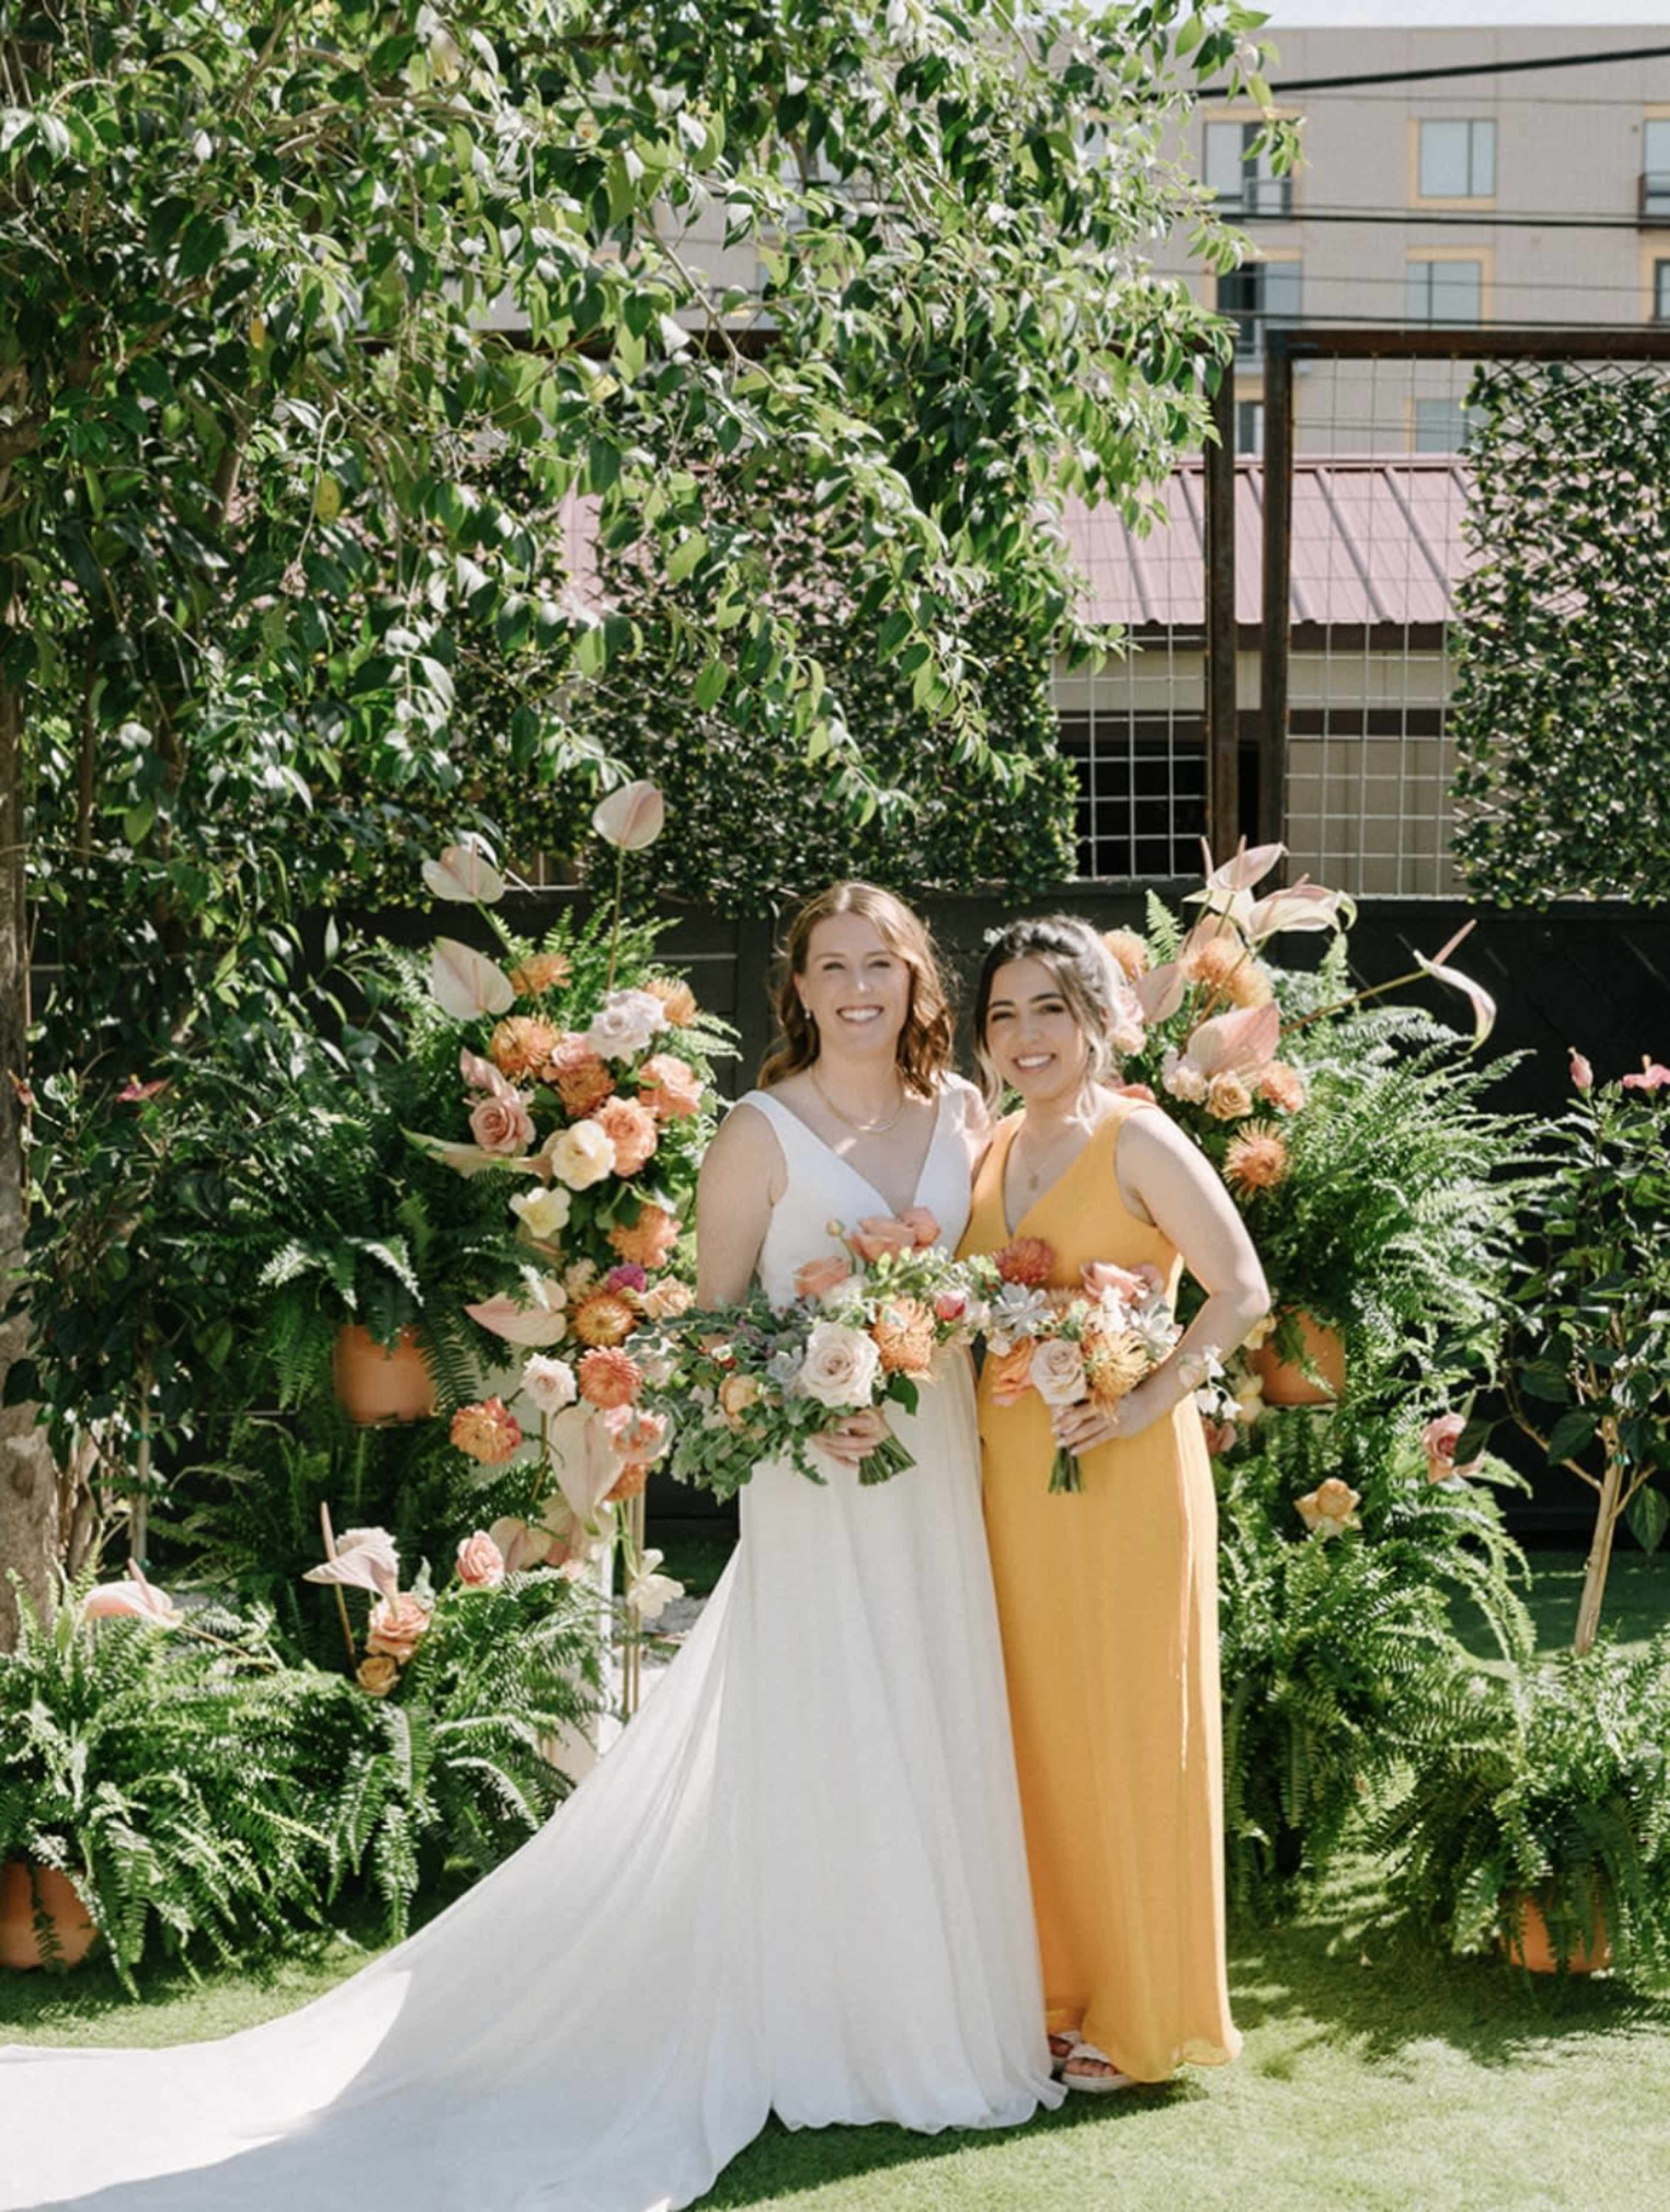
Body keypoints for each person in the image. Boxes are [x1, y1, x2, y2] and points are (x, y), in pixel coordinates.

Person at [0, 881, 1059, 2212]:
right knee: (832, 1730)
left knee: (934, 1715)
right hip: (816, 1480)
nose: (858, 988)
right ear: (794, 987)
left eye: (881, 966)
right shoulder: (757, 1130)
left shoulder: (967, 1117)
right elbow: (697, 1335)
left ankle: (939, 2015)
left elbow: (987, 1276)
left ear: (917, 983)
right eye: (831, 966)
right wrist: (803, 1403)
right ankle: (830, 2025)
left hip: (938, 1469)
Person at [959, 914, 1268, 2094]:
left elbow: (1241, 1290)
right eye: (1004, 1014)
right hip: (1014, 1487)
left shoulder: (1142, 1140)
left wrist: (1145, 1403)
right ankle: (1053, 1995)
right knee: (1037, 1736)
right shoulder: (988, 1152)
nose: (1026, 1034)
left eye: (1049, 1008)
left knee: (1130, 1730)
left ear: (1096, 1019)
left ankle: (1141, 2018)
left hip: (1127, 1475)